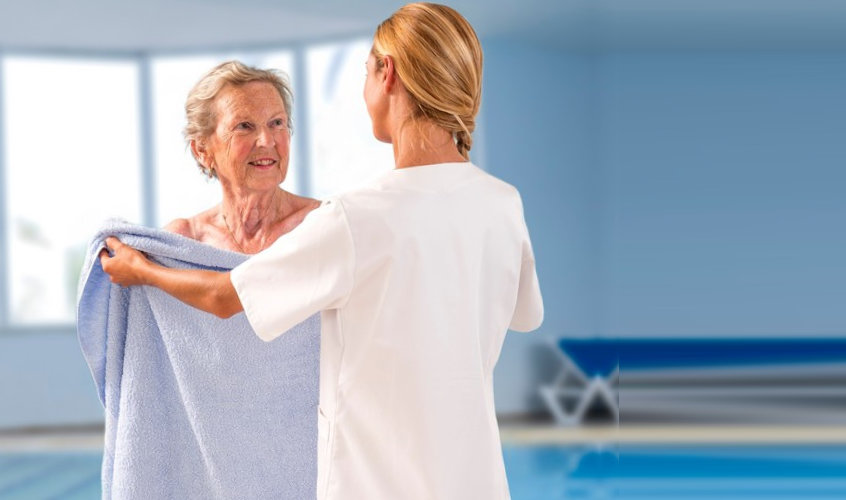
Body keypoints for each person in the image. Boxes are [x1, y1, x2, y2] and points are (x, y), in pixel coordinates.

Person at [100, 3, 542, 498]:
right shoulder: (504, 204)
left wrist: (142, 270)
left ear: (387, 73)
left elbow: (227, 297)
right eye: (245, 126)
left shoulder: (353, 218)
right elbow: (522, 315)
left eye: (366, 72)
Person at [165, 60, 320, 254]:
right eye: (244, 126)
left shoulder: (323, 223)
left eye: (277, 122)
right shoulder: (184, 240)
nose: (267, 141)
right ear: (202, 151)